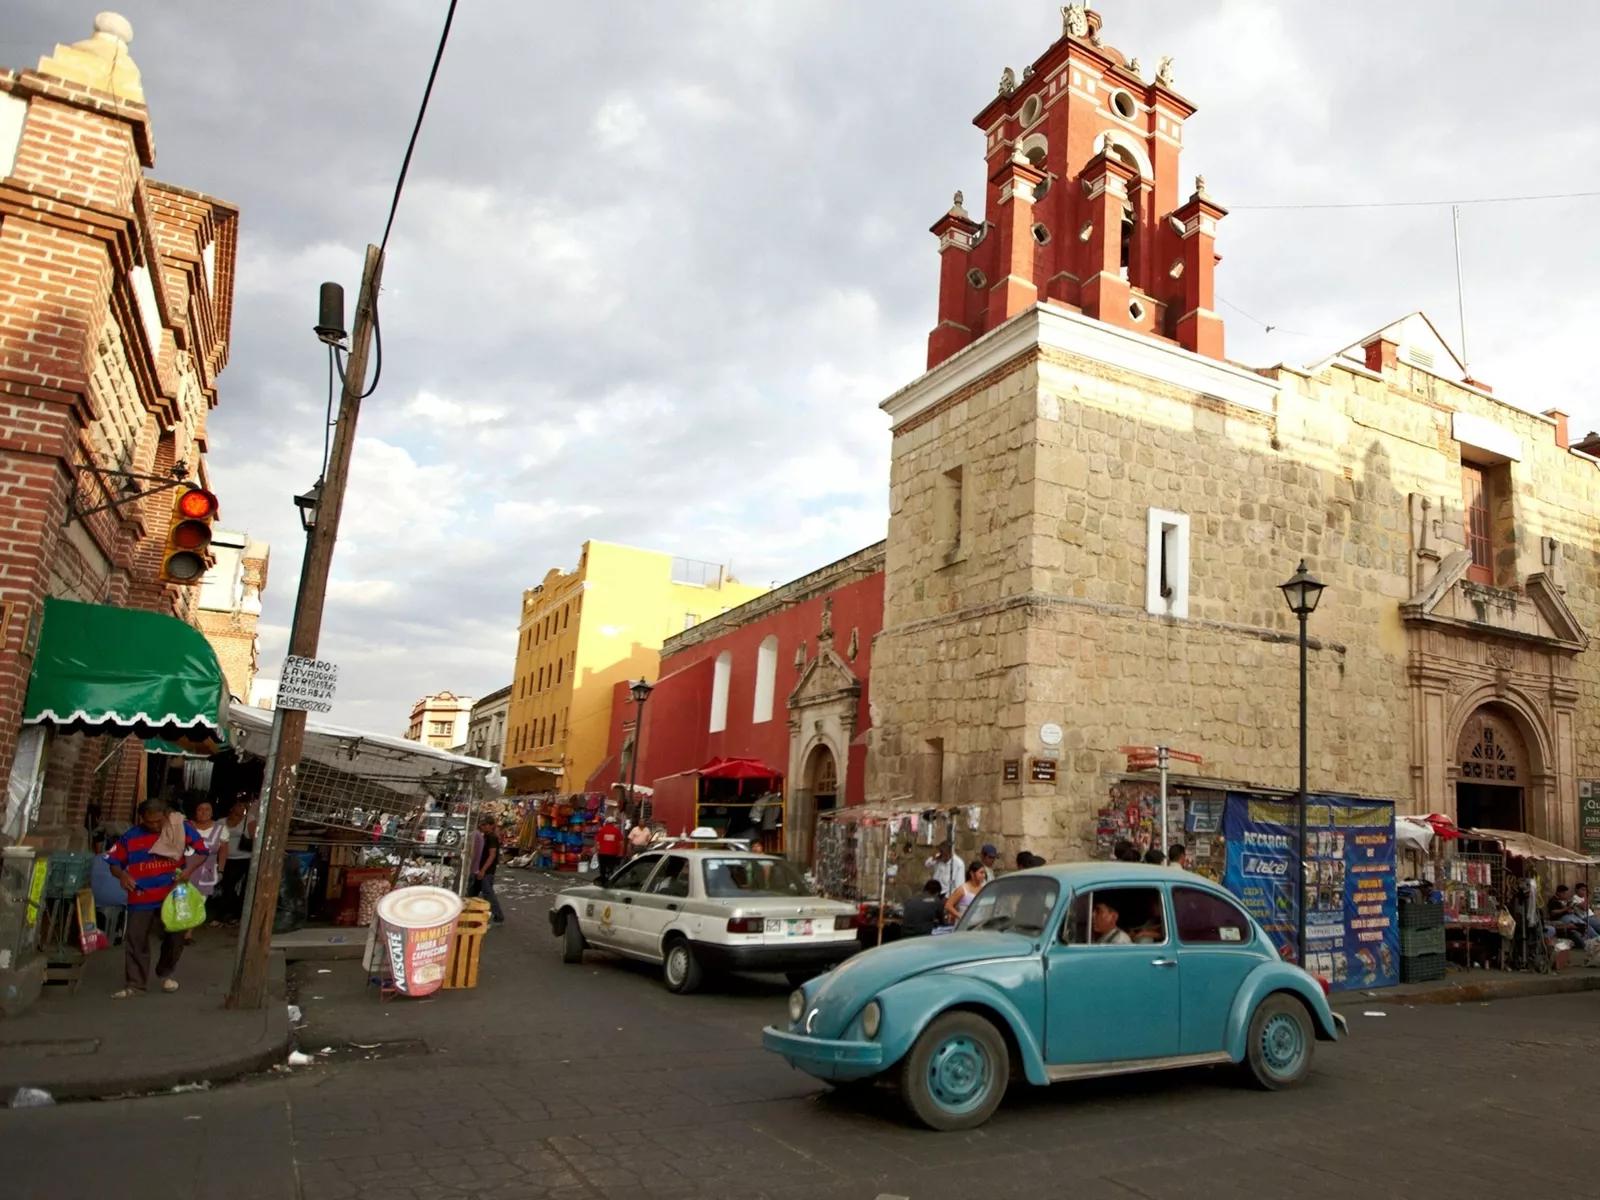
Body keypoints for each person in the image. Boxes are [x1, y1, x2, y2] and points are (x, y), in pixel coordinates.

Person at [103, 799, 212, 997]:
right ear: (141, 819)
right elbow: (113, 862)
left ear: (166, 816)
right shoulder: (130, 837)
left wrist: (189, 870)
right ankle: (136, 984)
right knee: (136, 938)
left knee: (177, 935)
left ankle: (165, 971)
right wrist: (123, 875)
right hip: (140, 894)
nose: (154, 825)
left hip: (172, 894)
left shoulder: (180, 829)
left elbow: (203, 851)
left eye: (158, 821)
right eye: (149, 822)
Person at [187, 799, 227, 934]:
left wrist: (221, 869)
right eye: (200, 809)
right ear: (195, 812)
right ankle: (178, 928)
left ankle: (188, 932)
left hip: (207, 871)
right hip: (186, 870)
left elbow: (223, 850)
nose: (204, 812)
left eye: (207, 809)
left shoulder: (220, 829)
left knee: (198, 902)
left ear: (212, 812)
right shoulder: (187, 826)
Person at [219, 795, 255, 923]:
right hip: (227, 858)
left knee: (237, 886)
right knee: (227, 885)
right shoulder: (221, 822)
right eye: (239, 805)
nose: (242, 808)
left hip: (244, 858)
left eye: (243, 806)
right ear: (231, 807)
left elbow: (254, 837)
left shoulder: (249, 819)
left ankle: (234, 913)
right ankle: (228, 913)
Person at [467, 817, 505, 924]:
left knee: (488, 893)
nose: (482, 827)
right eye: (482, 825)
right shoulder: (486, 836)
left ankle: (498, 915)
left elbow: (492, 855)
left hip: (487, 871)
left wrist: (483, 870)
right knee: (472, 892)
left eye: (485, 825)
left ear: (491, 825)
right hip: (480, 870)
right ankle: (471, 915)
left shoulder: (492, 838)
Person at [944, 860, 986, 926]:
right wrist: (961, 916)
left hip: (979, 926)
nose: (983, 875)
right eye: (981, 873)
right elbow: (948, 905)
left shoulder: (984, 888)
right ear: (972, 874)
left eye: (984, 873)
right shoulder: (962, 889)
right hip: (964, 926)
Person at [595, 813, 625, 886]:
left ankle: (603, 880)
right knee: (611, 868)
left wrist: (598, 851)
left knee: (602, 868)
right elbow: (621, 843)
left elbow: (597, 842)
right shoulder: (617, 831)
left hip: (602, 853)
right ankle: (610, 880)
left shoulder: (601, 830)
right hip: (613, 854)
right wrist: (621, 854)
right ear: (613, 823)